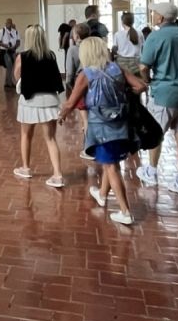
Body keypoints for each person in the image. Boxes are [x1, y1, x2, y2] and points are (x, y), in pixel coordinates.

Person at [60, 36, 147, 226]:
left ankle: (125, 212)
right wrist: (126, 94)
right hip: (121, 122)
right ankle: (101, 195)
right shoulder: (117, 69)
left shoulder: (86, 74)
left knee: (111, 167)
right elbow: (141, 86)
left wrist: (62, 115)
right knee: (111, 161)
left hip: (101, 126)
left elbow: (71, 101)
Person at [136, 2, 178, 198]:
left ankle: (152, 172)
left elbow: (144, 67)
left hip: (165, 93)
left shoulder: (155, 37)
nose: (152, 14)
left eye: (154, 12)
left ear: (161, 18)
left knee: (156, 134)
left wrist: (147, 82)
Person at [12, 24, 66, 189]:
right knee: (50, 139)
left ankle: (26, 168)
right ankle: (57, 175)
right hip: (50, 100)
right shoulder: (50, 56)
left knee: (26, 135)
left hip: (29, 101)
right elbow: (57, 79)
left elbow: (16, 77)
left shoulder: (22, 56)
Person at [113, 12, 142, 78]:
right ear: (133, 22)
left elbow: (115, 48)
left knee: (123, 85)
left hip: (122, 63)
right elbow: (143, 47)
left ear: (122, 22)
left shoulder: (117, 34)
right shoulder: (140, 33)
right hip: (136, 63)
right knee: (137, 83)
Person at [0, 19, 21, 89]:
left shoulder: (15, 32)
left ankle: (7, 83)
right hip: (5, 51)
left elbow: (18, 41)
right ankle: (10, 83)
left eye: (10, 23)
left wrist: (14, 47)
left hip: (13, 51)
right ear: (5, 23)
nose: (9, 24)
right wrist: (6, 46)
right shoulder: (2, 31)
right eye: (7, 23)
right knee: (9, 66)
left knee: (11, 67)